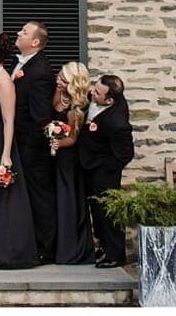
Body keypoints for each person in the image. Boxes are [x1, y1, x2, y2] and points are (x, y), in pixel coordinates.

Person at [0, 33, 38, 269]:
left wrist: (5, 154)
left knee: (0, 197)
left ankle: (7, 252)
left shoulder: (4, 83)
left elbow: (8, 120)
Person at [78, 74, 135, 268]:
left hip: (104, 173)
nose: (92, 93)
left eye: (98, 93)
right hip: (89, 166)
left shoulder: (118, 123)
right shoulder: (96, 100)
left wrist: (103, 169)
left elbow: (125, 154)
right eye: (95, 88)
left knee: (108, 213)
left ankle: (115, 255)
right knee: (96, 211)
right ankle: (102, 247)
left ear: (110, 100)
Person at [11, 20, 57, 263]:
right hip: (18, 143)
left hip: (32, 147)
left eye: (24, 32)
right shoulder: (20, 65)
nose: (19, 33)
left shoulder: (39, 72)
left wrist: (29, 146)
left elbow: (40, 116)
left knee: (40, 196)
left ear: (35, 42)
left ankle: (45, 248)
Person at [50, 61, 94, 264]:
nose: (58, 80)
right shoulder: (57, 94)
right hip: (53, 156)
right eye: (59, 76)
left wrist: (57, 143)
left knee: (66, 198)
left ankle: (70, 249)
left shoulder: (76, 109)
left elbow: (73, 138)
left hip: (67, 158)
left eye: (63, 79)